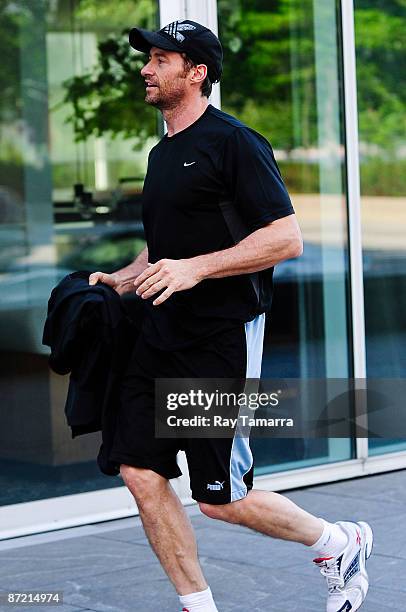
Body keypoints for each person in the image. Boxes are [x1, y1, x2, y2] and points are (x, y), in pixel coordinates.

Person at [89, 19, 373, 612]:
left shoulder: (236, 143)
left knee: (221, 497)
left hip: (220, 338)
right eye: (150, 59)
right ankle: (200, 607)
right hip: (158, 333)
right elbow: (166, 241)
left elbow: (286, 238)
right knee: (139, 471)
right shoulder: (162, 152)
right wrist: (126, 276)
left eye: (162, 60)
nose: (147, 68)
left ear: (197, 74)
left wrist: (196, 268)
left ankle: (338, 541)